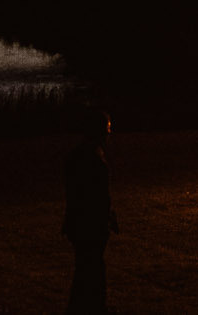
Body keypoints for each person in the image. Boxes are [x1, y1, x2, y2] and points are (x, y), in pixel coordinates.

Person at [61, 108, 118, 313]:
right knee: (92, 269)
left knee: (85, 268)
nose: (110, 133)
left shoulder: (76, 156)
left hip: (79, 223)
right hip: (90, 224)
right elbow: (99, 195)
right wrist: (106, 217)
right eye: (108, 128)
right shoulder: (94, 159)